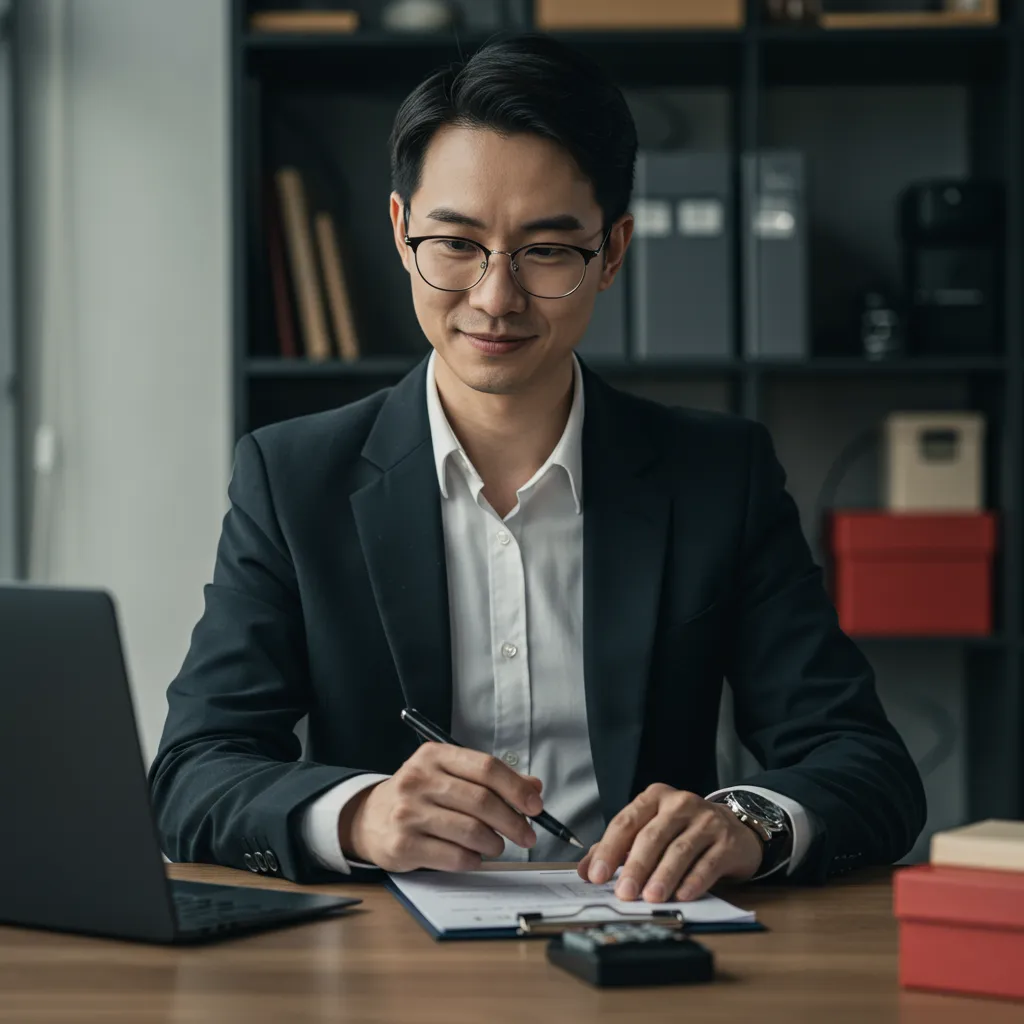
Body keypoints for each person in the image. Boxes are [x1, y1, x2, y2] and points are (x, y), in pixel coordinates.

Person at [150, 34, 926, 905]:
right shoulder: (294, 478)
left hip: (646, 939)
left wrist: (748, 819)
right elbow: (191, 773)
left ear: (614, 252)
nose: (494, 296)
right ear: (403, 232)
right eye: (457, 243)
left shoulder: (717, 475)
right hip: (386, 955)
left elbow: (866, 766)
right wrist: (360, 813)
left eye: (547, 252)